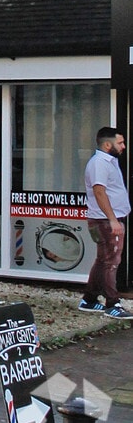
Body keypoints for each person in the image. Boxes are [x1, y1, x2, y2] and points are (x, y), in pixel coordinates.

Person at [81, 124, 132, 316]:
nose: (123, 146)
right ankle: (112, 304)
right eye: (120, 143)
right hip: (105, 221)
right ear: (107, 145)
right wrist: (113, 220)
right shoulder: (100, 163)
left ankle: (89, 299)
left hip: (102, 220)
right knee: (112, 261)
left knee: (103, 260)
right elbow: (99, 191)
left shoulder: (107, 161)